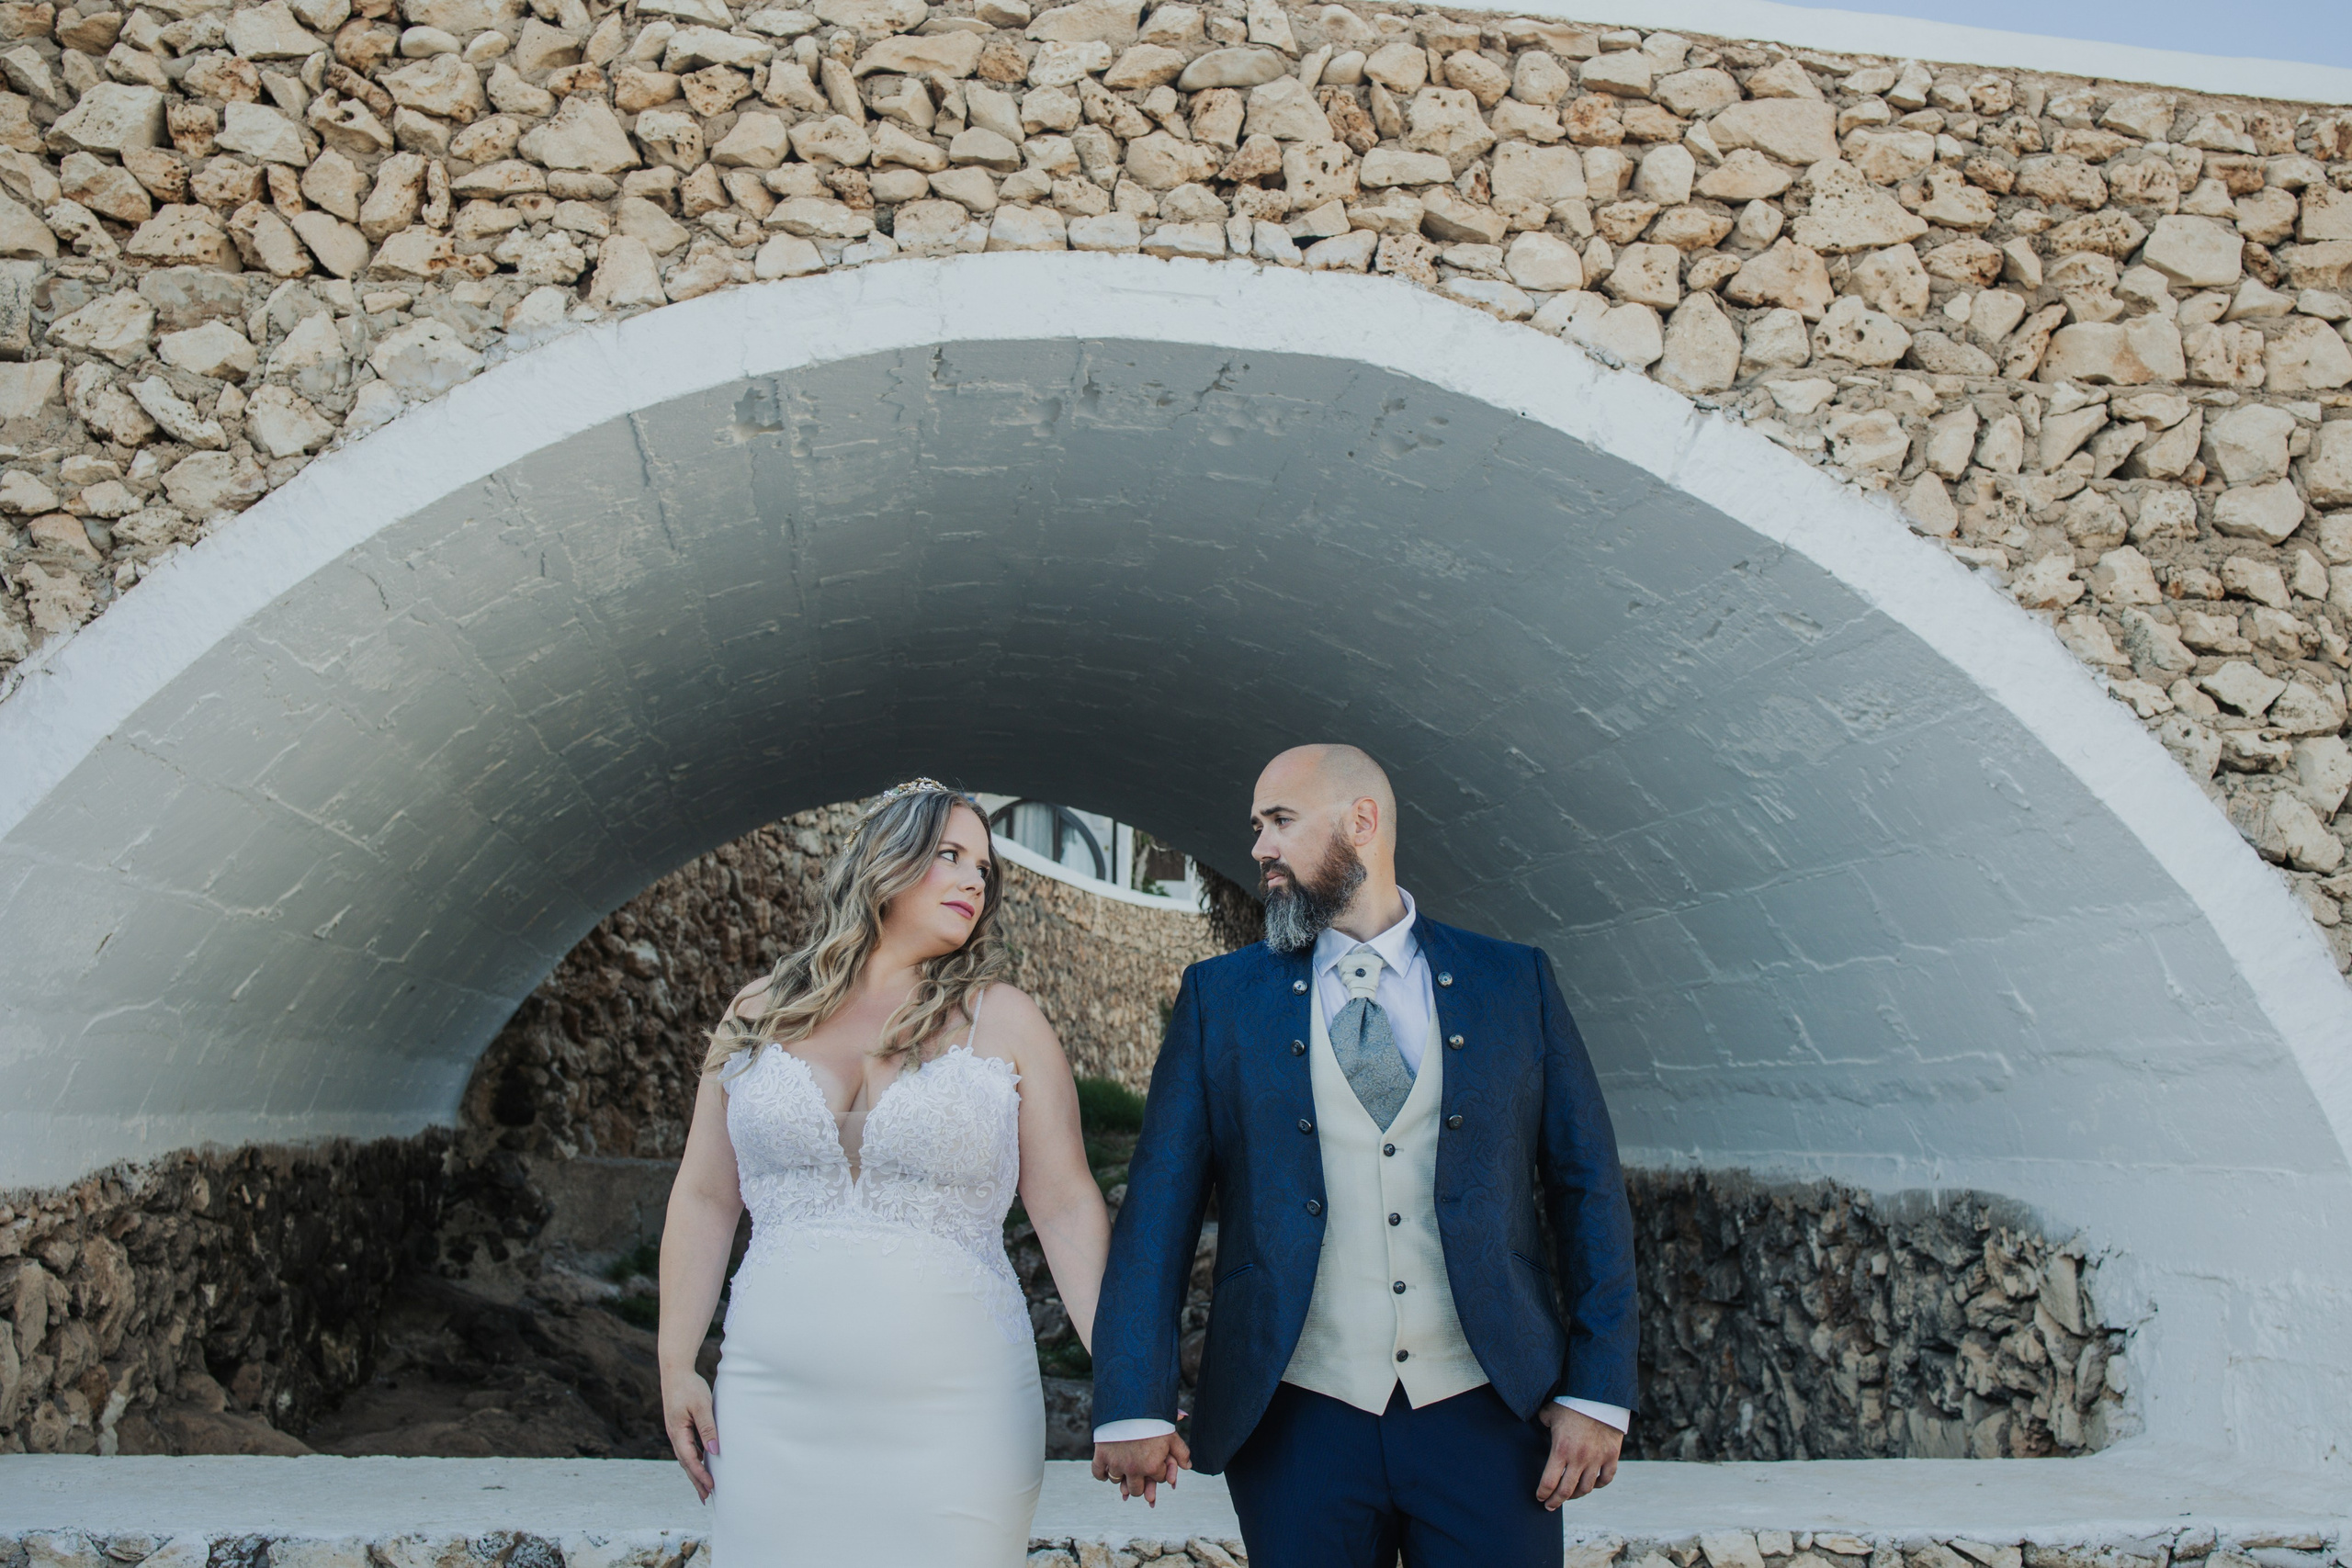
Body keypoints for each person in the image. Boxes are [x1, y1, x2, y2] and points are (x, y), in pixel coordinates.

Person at [1090, 744, 1639, 1567]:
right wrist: (1133, 1398)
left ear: (1362, 822)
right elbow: (1158, 1210)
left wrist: (1597, 1390)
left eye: (1280, 821)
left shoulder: (1512, 982)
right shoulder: (1221, 998)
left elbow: (1588, 1188)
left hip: (1490, 1412)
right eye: (1255, 826)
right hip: (1297, 1415)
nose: (1259, 847)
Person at [657, 780, 1112, 1565]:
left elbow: (1068, 1206)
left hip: (960, 1414)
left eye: (983, 866)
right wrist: (674, 1363)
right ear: (882, 861)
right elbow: (703, 1195)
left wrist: (1126, 1380)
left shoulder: (1005, 1019)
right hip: (770, 1410)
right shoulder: (755, 1013)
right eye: (950, 854)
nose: (975, 879)